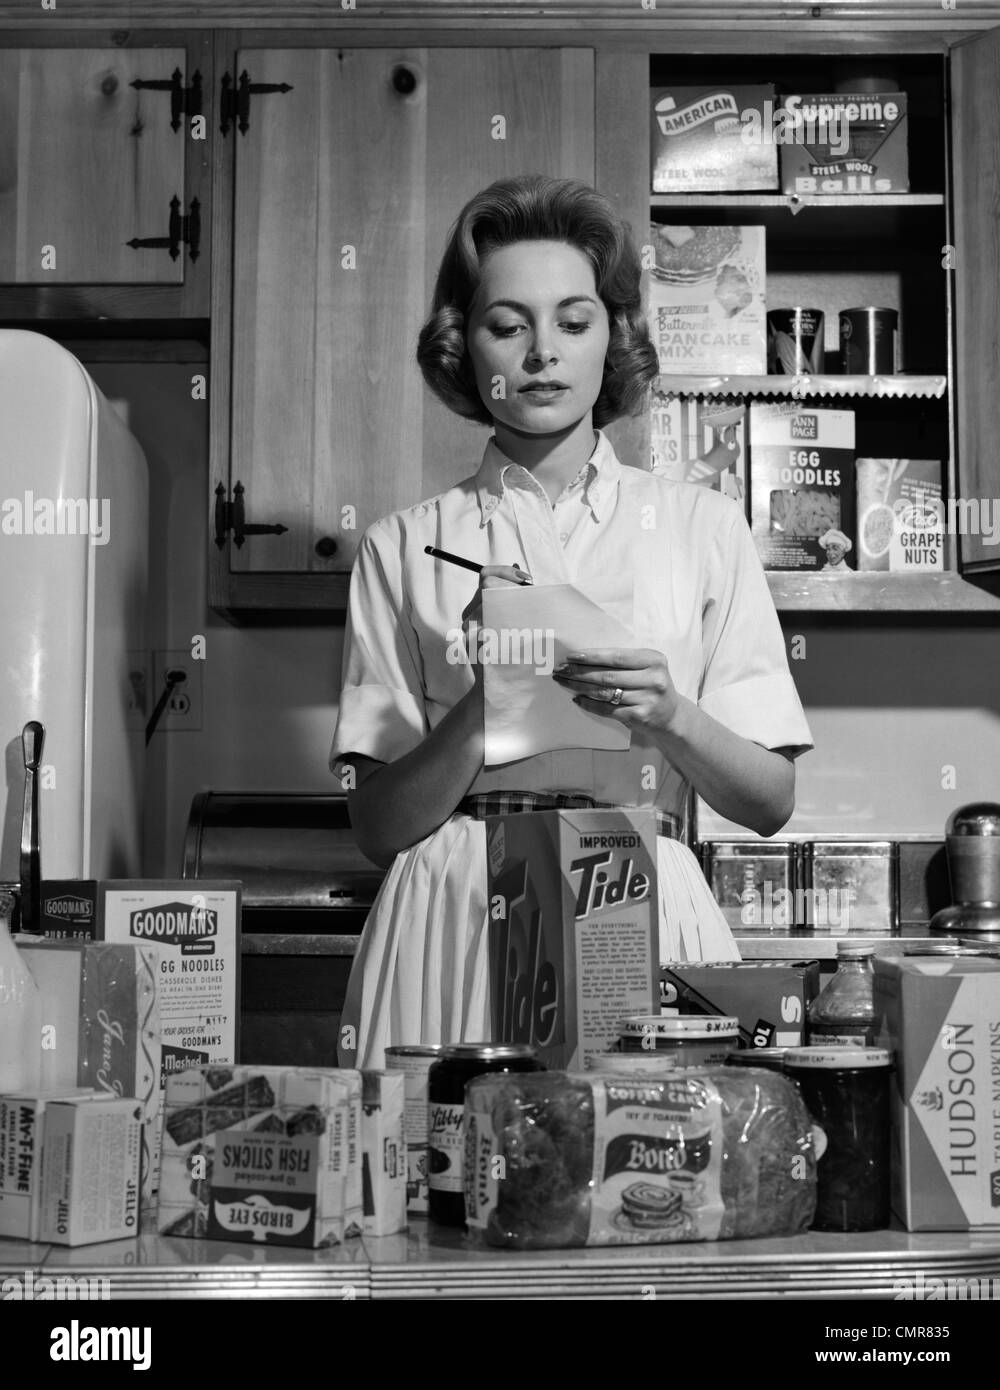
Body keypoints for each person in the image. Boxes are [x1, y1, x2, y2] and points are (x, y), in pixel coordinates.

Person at [331, 174, 813, 1069]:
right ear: (465, 349)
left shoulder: (701, 527)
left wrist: (668, 712)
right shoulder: (402, 547)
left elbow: (769, 804)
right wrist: (487, 705)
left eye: (574, 321)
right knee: (448, 1180)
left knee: (646, 1187)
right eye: (507, 325)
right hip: (456, 907)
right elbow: (378, 826)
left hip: (643, 881)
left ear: (614, 338)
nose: (542, 352)